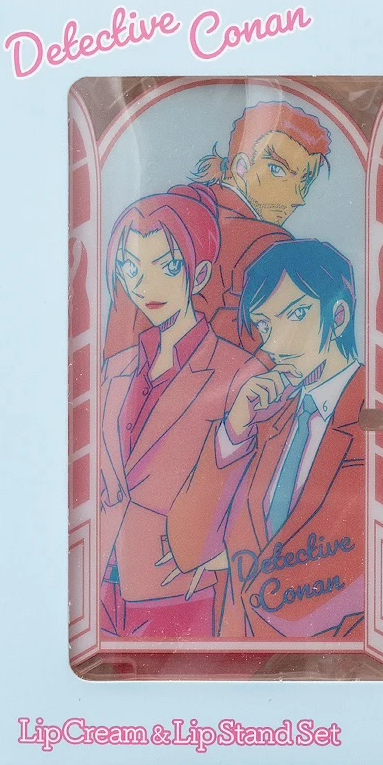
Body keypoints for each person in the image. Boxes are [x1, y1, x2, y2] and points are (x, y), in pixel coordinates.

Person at [166, 239, 365, 641]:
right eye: (265, 325)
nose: (273, 345)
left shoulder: (375, 418)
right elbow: (188, 548)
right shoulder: (268, 419)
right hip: (240, 653)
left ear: (339, 316)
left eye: (295, 315)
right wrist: (234, 430)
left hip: (335, 661)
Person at [98, 187, 265, 640]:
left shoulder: (238, 371)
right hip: (101, 583)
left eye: (167, 267)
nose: (145, 286)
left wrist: (222, 556)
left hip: (178, 589)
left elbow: (260, 490)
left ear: (200, 273)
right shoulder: (118, 368)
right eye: (130, 268)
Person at [103, 101, 333, 357]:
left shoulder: (161, 215)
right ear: (241, 167)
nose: (297, 197)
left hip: (128, 374)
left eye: (304, 181)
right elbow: (270, 353)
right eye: (278, 170)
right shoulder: (269, 242)